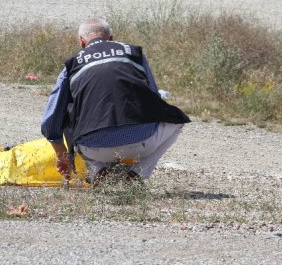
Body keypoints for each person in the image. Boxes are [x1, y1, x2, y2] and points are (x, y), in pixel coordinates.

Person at [41, 18, 190, 183]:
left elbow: (51, 117)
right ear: (111, 38)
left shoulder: (71, 65)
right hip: (143, 142)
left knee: (69, 107)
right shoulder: (134, 54)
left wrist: (62, 155)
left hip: (92, 148)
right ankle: (138, 174)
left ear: (82, 42)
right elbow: (153, 95)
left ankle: (97, 170)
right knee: (178, 120)